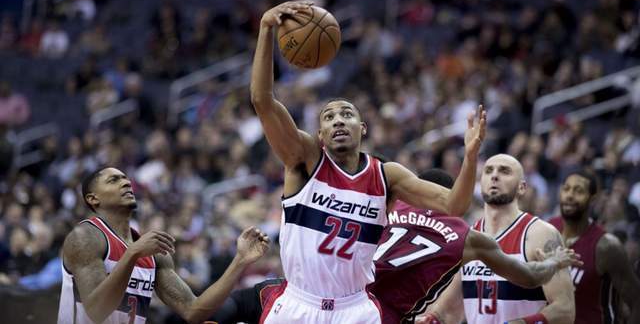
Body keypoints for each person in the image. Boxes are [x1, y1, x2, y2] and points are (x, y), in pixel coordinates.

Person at [251, 1, 487, 323]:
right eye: (329, 117)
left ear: (362, 128)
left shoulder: (386, 175)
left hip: (356, 310)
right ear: (320, 134)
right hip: (299, 303)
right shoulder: (303, 160)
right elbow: (262, 101)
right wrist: (266, 29)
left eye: (346, 114)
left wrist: (470, 158)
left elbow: (455, 205)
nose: (338, 120)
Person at [209, 169, 581, 324]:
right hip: (372, 314)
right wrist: (554, 264)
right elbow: (528, 276)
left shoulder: (391, 206)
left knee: (239, 303)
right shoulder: (469, 236)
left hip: (322, 295)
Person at [57, 167, 270, 324]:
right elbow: (96, 311)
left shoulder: (152, 253)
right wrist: (132, 254)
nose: (126, 183)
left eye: (126, 179)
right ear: (93, 199)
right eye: (114, 180)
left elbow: (194, 311)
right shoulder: (85, 237)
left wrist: (239, 261)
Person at [426, 154, 577, 324]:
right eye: (488, 171)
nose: (494, 176)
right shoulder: (467, 237)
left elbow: (564, 310)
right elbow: (448, 311)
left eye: (504, 171)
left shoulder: (540, 234)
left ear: (522, 187)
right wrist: (429, 319)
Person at [548, 170, 640, 324]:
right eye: (566, 189)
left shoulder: (606, 247)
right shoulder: (548, 229)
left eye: (578, 191)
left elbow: (636, 301)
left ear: (593, 199)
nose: (570, 195)